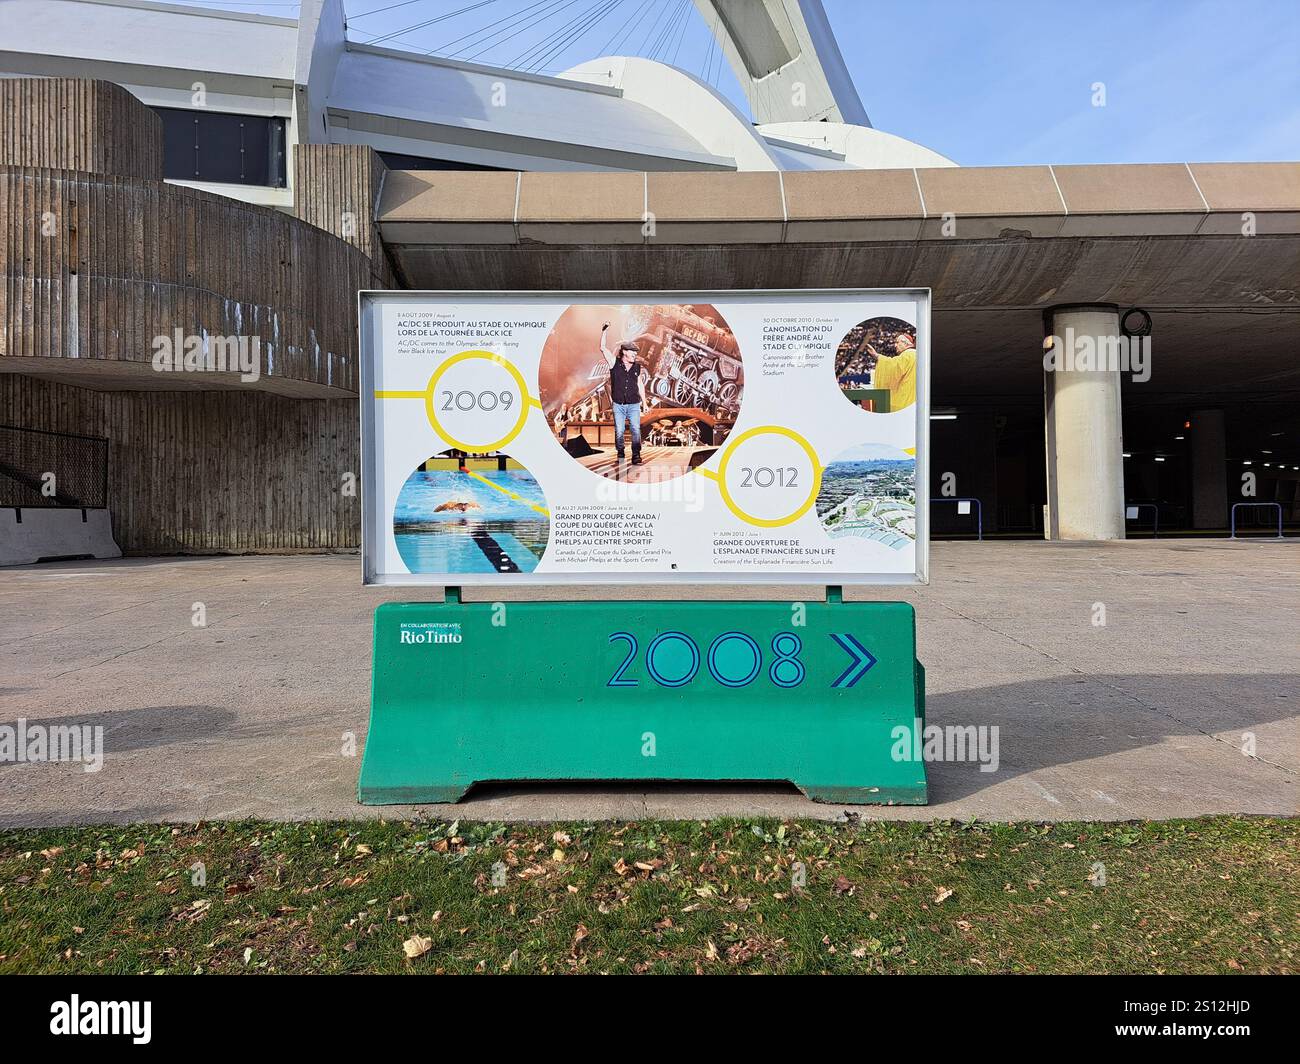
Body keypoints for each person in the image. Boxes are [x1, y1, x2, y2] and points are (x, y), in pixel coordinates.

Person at [600, 321, 648, 464]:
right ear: (625, 352)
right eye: (632, 352)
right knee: (619, 431)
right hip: (618, 404)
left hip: (634, 404)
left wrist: (644, 403)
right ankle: (620, 454)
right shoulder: (614, 363)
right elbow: (602, 348)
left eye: (635, 353)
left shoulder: (637, 368)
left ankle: (636, 455)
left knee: (635, 430)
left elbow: (640, 384)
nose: (635, 355)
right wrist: (604, 330)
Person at [867, 330, 917, 412]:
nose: (895, 345)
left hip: (904, 402)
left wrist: (876, 356)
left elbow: (892, 366)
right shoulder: (917, 354)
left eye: (897, 342)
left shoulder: (908, 355)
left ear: (905, 343)